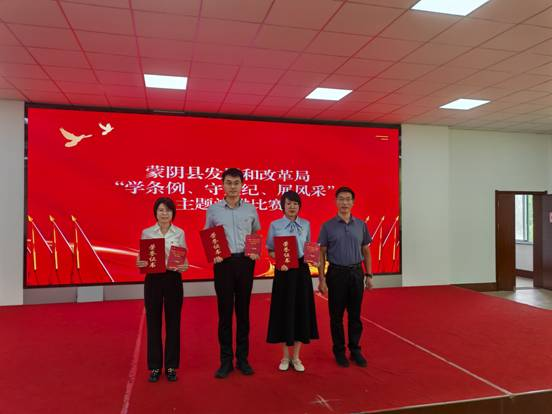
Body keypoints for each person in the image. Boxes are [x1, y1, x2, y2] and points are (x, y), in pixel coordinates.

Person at [205, 168, 261, 379]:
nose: (232, 187)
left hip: (245, 263)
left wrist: (255, 251)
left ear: (242, 185)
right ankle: (226, 361)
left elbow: (255, 232)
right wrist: (214, 254)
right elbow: (209, 234)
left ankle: (243, 359)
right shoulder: (213, 210)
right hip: (224, 265)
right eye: (228, 182)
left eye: (236, 183)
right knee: (225, 313)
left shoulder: (250, 209)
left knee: (243, 312)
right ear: (222, 185)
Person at [317, 187, 373, 368]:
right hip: (336, 274)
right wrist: (321, 279)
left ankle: (355, 350)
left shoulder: (361, 225)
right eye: (341, 199)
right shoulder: (327, 226)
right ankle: (339, 351)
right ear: (336, 202)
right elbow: (321, 253)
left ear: (353, 202)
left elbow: (366, 250)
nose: (344, 202)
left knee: (355, 315)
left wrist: (369, 275)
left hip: (356, 273)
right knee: (336, 316)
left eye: (348, 199)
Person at [137, 197, 189, 382]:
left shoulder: (179, 232)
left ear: (173, 213)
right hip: (153, 279)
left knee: (173, 323)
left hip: (173, 278)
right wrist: (140, 262)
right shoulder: (147, 233)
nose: (164, 213)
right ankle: (155, 367)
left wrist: (184, 265)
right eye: (161, 210)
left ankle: (171, 366)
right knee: (153, 323)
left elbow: (183, 257)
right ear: (155, 213)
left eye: (168, 210)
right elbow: (142, 257)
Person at [266, 191, 319, 372]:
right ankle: (284, 356)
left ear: (299, 206)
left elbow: (309, 247)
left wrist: (314, 259)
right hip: (283, 272)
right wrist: (278, 259)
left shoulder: (306, 224)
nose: (292, 206)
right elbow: (270, 250)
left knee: (301, 310)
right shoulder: (275, 225)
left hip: (301, 272)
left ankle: (296, 357)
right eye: (288, 203)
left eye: (295, 203)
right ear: (283, 206)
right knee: (283, 311)